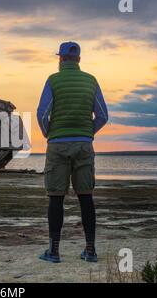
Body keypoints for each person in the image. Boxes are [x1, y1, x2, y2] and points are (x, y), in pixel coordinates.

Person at [37, 42, 108, 263]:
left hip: (58, 144)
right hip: (84, 145)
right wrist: (88, 133)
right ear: (78, 60)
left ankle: (54, 252)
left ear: (60, 59)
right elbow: (103, 115)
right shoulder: (91, 80)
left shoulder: (53, 80)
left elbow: (42, 114)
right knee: (86, 197)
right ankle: (90, 250)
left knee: (56, 198)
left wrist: (50, 133)